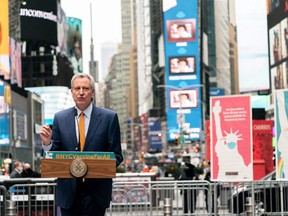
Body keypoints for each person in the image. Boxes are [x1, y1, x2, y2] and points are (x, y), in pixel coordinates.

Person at [40, 73, 123, 216]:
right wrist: (47, 143)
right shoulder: (60, 118)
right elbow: (55, 154)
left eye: (85, 88)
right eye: (77, 88)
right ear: (72, 92)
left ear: (93, 92)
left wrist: (97, 166)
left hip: (96, 192)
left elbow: (117, 155)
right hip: (68, 192)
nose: (81, 92)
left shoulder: (109, 118)